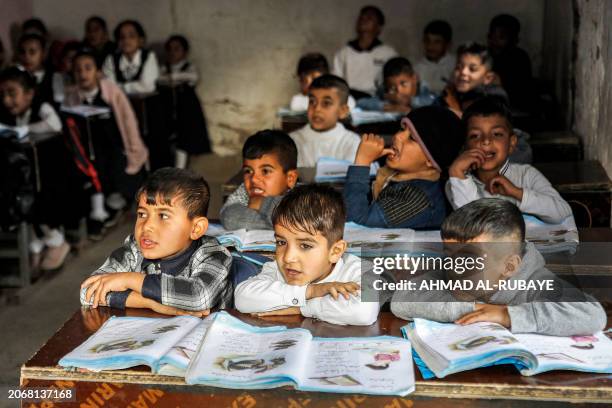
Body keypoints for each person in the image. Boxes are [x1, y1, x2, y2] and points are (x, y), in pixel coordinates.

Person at [390, 198, 606, 336]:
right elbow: (402, 300)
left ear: (509, 266)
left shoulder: (536, 282)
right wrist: (475, 309)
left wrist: (506, 315)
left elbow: (593, 315)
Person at [80, 168, 232, 315]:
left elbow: (199, 296)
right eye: (142, 214)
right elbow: (88, 291)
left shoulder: (214, 254)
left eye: (163, 216)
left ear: (196, 228)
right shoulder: (134, 251)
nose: (147, 226)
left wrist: (130, 280)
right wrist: (150, 303)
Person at [234, 184, 380, 326]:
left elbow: (364, 312)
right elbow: (242, 298)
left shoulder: (361, 269)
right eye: (281, 242)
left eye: (305, 246)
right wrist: (311, 291)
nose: (288, 257)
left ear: (335, 251)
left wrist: (301, 308)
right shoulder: (276, 269)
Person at [64, 50, 148, 239]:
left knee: (120, 176)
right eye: (78, 70)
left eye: (88, 68)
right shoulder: (71, 97)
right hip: (89, 151)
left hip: (116, 148)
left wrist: (134, 151)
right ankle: (98, 210)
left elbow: (128, 122)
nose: (83, 74)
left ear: (98, 72)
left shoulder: (111, 91)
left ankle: (114, 205)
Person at [446, 97, 572, 224]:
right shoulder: (457, 182)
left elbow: (562, 213)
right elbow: (476, 225)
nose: (486, 141)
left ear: (511, 144)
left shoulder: (526, 175)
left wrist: (516, 193)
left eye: (497, 134)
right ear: (465, 146)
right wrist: (456, 171)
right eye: (475, 136)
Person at [0, 67, 73, 270]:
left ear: (29, 93)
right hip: (25, 174)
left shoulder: (42, 106)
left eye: (12, 93)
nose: (7, 100)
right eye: (3, 95)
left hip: (51, 172)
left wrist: (24, 130)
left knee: (39, 196)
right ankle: (36, 243)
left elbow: (55, 125)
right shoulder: (8, 114)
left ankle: (56, 240)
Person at [344, 106, 464, 229]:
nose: (398, 136)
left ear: (430, 160)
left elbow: (354, 225)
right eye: (402, 129)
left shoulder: (416, 199)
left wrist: (362, 163)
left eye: (411, 138)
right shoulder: (397, 175)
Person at [220, 130, 298, 230]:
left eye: (265, 171)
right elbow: (229, 217)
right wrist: (275, 226)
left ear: (290, 179)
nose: (254, 179)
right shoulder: (244, 191)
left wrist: (262, 203)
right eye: (248, 171)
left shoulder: (302, 195)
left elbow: (297, 218)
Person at [158, 34, 211, 168]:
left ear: (185, 52)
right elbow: (158, 79)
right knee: (168, 139)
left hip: (187, 110)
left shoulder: (189, 67)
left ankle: (180, 170)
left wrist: (172, 78)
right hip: (167, 109)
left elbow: (193, 77)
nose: (172, 52)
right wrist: (175, 79)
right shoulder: (163, 68)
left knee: (184, 140)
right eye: (169, 49)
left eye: (177, 49)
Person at [289, 74, 360, 167]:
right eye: (312, 101)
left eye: (326, 103)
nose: (317, 109)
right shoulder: (292, 141)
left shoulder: (352, 142)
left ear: (343, 111)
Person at [332, 5, 397, 98]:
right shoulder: (344, 52)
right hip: (349, 98)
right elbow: (336, 82)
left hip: (376, 100)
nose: (363, 20)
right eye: (361, 18)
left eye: (369, 18)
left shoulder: (388, 54)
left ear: (379, 27)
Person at [437, 43, 507, 115]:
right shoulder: (450, 92)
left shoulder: (495, 98)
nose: (463, 72)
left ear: (488, 78)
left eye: (472, 69)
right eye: (458, 67)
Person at [487, 14, 533, 112]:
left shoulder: (519, 58)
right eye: (493, 36)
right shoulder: (485, 55)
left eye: (501, 37)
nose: (495, 41)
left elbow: (521, 92)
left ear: (513, 39)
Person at [357, 56, 436, 113]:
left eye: (403, 84)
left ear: (415, 78)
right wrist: (389, 107)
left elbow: (433, 102)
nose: (399, 91)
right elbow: (361, 102)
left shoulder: (424, 89)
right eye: (392, 88)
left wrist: (410, 101)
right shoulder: (386, 93)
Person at [289, 53, 356, 112]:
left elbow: (350, 102)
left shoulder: (338, 96)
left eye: (314, 78)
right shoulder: (297, 100)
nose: (309, 83)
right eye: (304, 79)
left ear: (326, 78)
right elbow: (295, 105)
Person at [414, 20, 455, 95]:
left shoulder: (454, 65)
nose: (430, 46)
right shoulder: (417, 68)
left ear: (447, 44)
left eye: (437, 42)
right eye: (427, 41)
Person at [16, 33, 54, 104]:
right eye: (22, 52)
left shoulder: (54, 77)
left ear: (43, 54)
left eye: (32, 52)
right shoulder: (15, 78)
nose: (26, 57)